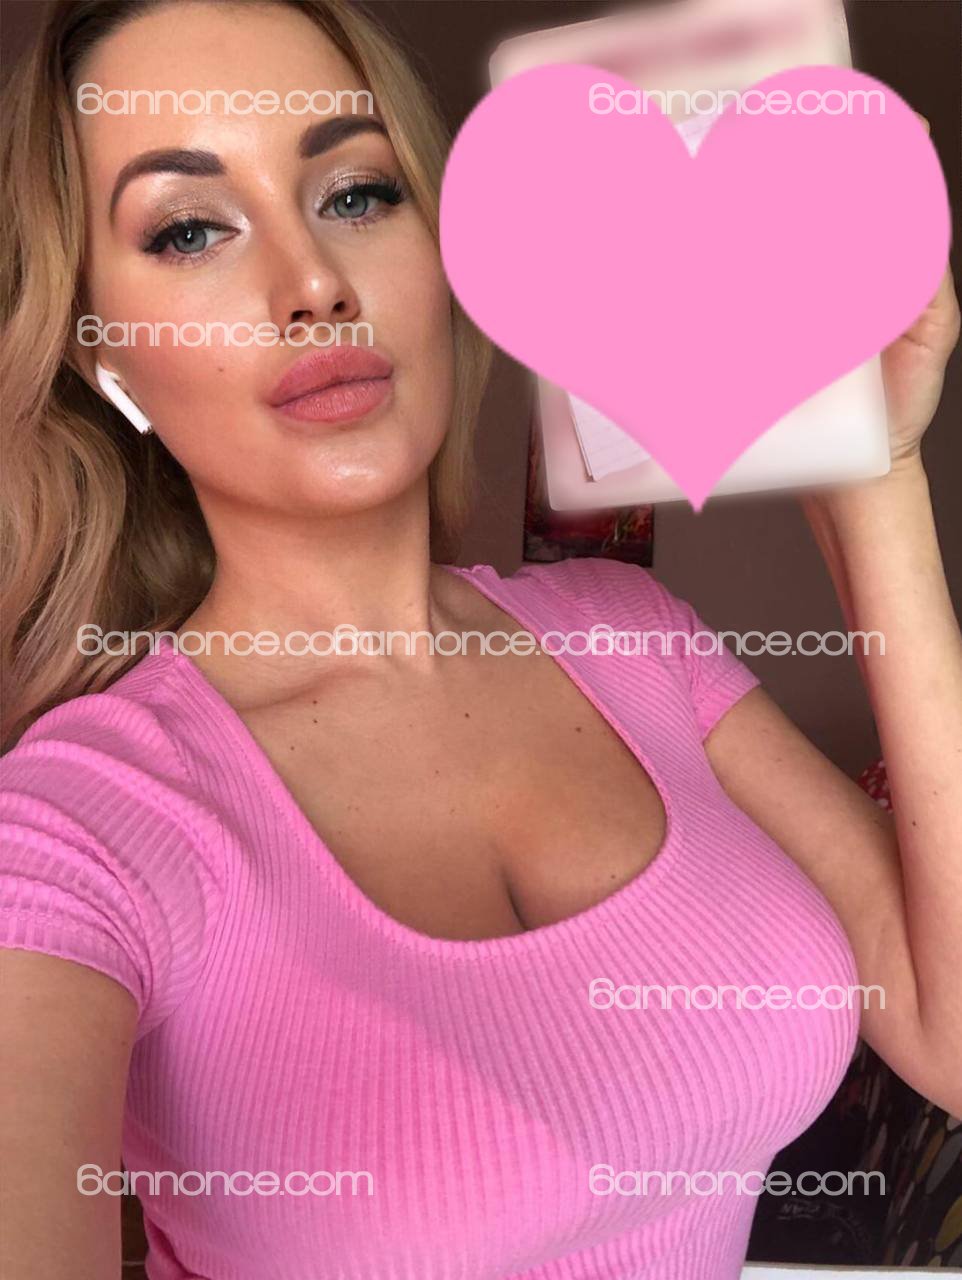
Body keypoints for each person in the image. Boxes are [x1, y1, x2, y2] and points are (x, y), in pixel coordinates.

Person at [1, 2, 960, 1278]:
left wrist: (873, 467)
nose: (313, 284)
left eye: (356, 193)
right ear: (105, 355)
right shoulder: (76, 824)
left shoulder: (634, 638)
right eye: (189, 229)